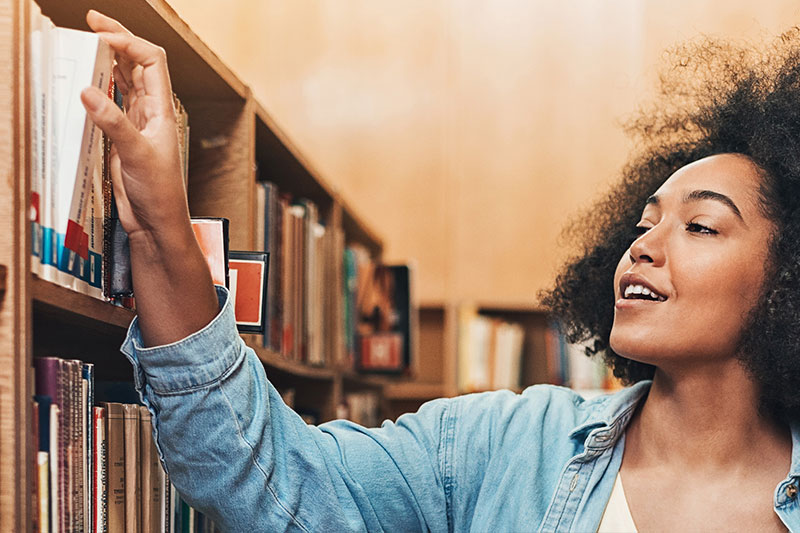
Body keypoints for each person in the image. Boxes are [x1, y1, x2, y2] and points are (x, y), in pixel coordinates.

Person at [80, 10, 800, 532]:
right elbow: (272, 477)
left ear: (785, 278)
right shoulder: (499, 448)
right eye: (642, 224)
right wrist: (159, 227)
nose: (642, 246)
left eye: (700, 224)